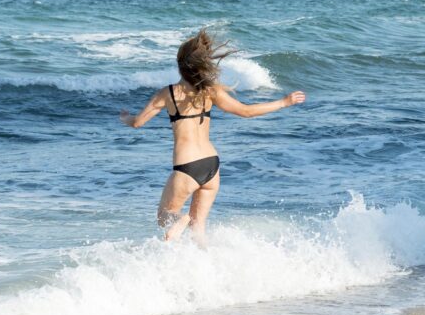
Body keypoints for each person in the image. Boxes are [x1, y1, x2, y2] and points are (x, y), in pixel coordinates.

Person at [120, 28, 305, 243]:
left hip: (186, 166)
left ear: (180, 64)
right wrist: (284, 102)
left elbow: (137, 122)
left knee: (164, 218)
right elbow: (246, 111)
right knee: (198, 230)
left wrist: (125, 117)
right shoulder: (211, 91)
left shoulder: (168, 93)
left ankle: (179, 220)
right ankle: (210, 270)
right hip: (211, 166)